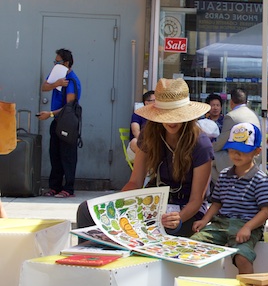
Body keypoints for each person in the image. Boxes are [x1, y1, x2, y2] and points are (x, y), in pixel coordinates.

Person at [77, 78, 213, 237]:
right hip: (153, 202)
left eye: (177, 114)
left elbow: (196, 200)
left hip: (186, 209)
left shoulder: (201, 144)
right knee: (87, 210)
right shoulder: (150, 134)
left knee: (164, 229)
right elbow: (134, 182)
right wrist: (117, 206)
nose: (172, 120)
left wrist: (178, 218)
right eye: (165, 114)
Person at [191, 122, 268, 274]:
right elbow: (216, 204)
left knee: (242, 257)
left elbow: (266, 210)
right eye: (232, 150)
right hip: (220, 223)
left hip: (246, 225)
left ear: (257, 151)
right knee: (193, 244)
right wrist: (204, 220)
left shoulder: (260, 178)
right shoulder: (223, 175)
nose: (236, 155)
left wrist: (248, 227)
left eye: (242, 151)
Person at [37, 48, 82, 198]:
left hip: (67, 122)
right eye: (54, 61)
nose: (55, 64)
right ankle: (54, 186)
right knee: (54, 154)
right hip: (56, 121)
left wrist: (49, 114)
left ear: (67, 63)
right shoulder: (57, 75)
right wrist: (55, 83)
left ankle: (68, 188)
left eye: (58, 62)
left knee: (67, 156)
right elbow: (44, 86)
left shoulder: (72, 81)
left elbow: (69, 107)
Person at [212, 87, 260, 183]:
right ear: (246, 101)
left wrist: (207, 148)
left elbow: (220, 142)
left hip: (237, 157)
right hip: (255, 158)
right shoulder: (255, 115)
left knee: (206, 159)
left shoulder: (232, 116)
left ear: (231, 102)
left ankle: (222, 186)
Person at [126, 90, 155, 162]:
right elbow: (135, 131)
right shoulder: (138, 114)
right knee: (135, 141)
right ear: (146, 102)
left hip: (154, 147)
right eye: (154, 100)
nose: (157, 103)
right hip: (139, 146)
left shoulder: (158, 115)